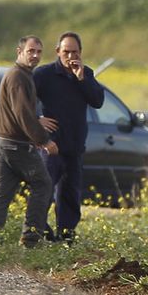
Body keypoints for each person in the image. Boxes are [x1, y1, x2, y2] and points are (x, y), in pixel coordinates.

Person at [0, 35, 59, 247]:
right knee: (43, 184)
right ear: (19, 52)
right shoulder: (18, 76)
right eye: (30, 51)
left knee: (0, 193)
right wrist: (44, 140)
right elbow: (23, 114)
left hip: (0, 139)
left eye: (38, 52)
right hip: (13, 142)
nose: (35, 56)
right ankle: (31, 239)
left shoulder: (21, 75)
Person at [34, 31, 104, 241]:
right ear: (58, 51)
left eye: (75, 52)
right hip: (51, 146)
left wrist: (82, 79)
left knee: (70, 195)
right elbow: (21, 100)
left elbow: (97, 101)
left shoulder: (85, 74)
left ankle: (66, 236)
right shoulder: (44, 75)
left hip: (74, 146)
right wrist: (36, 119)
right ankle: (38, 233)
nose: (71, 56)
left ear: (80, 52)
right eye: (66, 52)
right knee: (44, 193)